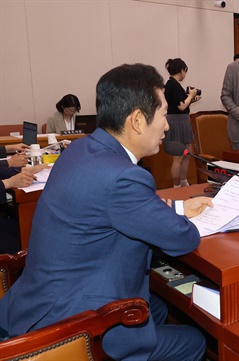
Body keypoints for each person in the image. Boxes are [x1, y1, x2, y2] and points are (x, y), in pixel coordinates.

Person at [0, 63, 213, 360]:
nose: (166, 125)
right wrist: (179, 216)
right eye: (164, 114)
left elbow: (113, 209)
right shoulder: (124, 177)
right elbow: (184, 239)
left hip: (37, 301)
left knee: (161, 306)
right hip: (75, 327)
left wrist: (176, 206)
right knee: (193, 338)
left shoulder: (81, 149)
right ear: (138, 120)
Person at [164, 58, 200, 188]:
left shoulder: (175, 84)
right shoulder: (172, 84)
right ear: (182, 70)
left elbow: (182, 103)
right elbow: (181, 106)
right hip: (176, 123)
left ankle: (184, 181)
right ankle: (176, 185)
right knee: (178, 157)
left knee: (187, 154)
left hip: (183, 121)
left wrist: (191, 99)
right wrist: (191, 94)